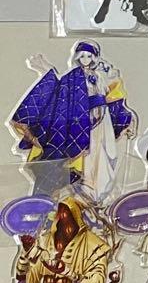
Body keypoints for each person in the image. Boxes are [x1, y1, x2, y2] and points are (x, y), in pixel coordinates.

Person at [10, 42, 133, 200]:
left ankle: (100, 191)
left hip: (103, 120)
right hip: (83, 123)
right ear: (77, 57)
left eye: (89, 56)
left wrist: (112, 76)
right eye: (82, 56)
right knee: (88, 157)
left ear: (95, 58)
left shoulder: (99, 76)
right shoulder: (73, 76)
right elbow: (60, 89)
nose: (86, 59)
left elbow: (112, 95)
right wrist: (47, 68)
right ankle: (87, 189)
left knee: (105, 153)